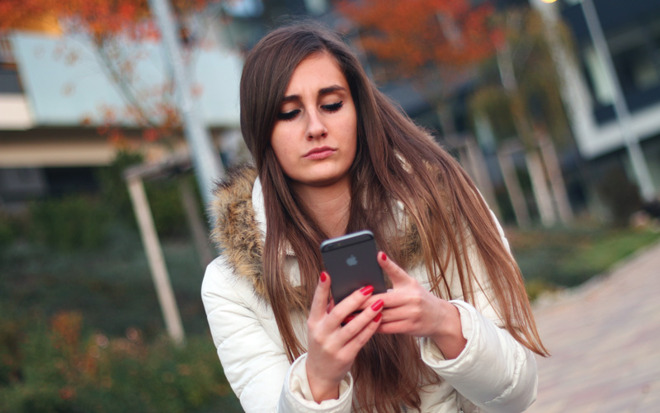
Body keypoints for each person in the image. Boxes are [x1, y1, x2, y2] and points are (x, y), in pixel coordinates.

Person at [202, 22, 548, 413]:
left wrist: (445, 322)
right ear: (261, 129)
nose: (316, 128)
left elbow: (517, 394)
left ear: (358, 109)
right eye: (289, 113)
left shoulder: (443, 205)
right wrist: (318, 380)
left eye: (331, 104)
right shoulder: (230, 287)